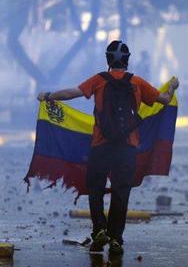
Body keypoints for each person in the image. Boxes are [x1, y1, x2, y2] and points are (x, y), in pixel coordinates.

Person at [37, 40, 179, 254]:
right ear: (127, 60)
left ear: (108, 59)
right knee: (121, 193)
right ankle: (115, 239)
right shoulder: (138, 83)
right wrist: (172, 86)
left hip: (100, 147)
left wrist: (48, 96)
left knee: (95, 190)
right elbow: (165, 100)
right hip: (127, 148)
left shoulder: (98, 80)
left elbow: (70, 94)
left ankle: (100, 230)